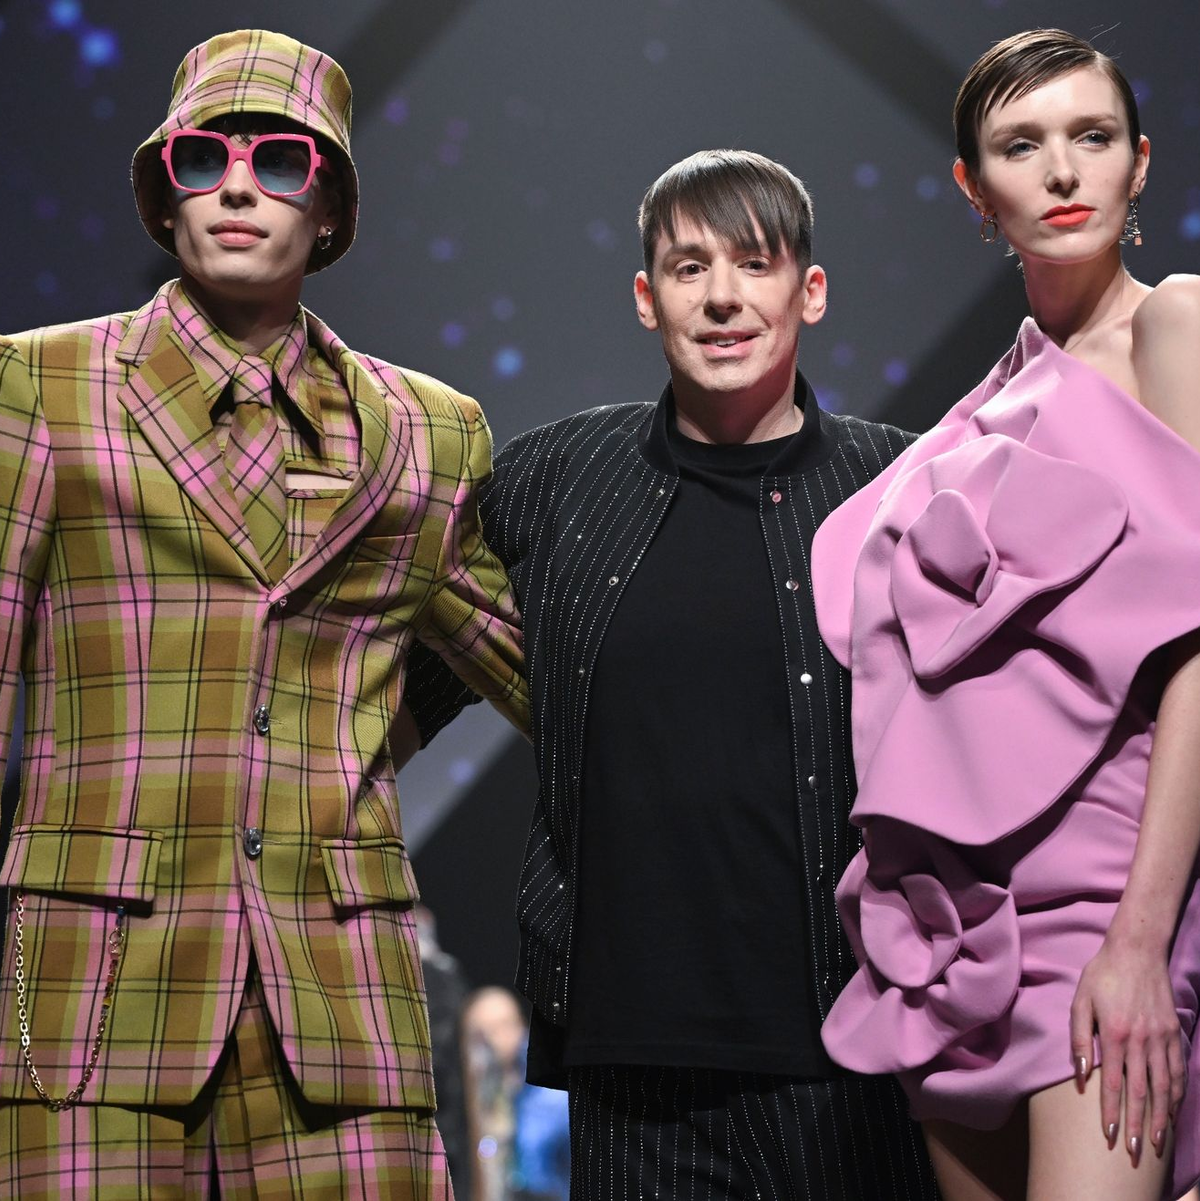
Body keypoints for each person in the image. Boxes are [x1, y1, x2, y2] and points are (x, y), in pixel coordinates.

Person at [0, 29, 526, 1196]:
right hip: (92, 990)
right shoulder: (41, 387)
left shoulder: (427, 433)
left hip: (340, 995)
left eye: (282, 160)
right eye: (203, 157)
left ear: (328, 207)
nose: (239, 184)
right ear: (164, 193)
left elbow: (551, 678)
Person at [402, 149, 937, 1198]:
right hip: (629, 1065)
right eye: (689, 268)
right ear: (648, 300)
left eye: (754, 262)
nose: (723, 296)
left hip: (852, 1050)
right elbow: (407, 685)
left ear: (810, 291)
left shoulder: (900, 483)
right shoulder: (559, 478)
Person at [811, 28, 1200, 1201]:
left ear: (1140, 161)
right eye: (1022, 147)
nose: (1064, 172)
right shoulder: (981, 406)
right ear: (976, 192)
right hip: (956, 935)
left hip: (1111, 908)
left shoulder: (1177, 324)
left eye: (1092, 138)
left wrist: (1141, 940)